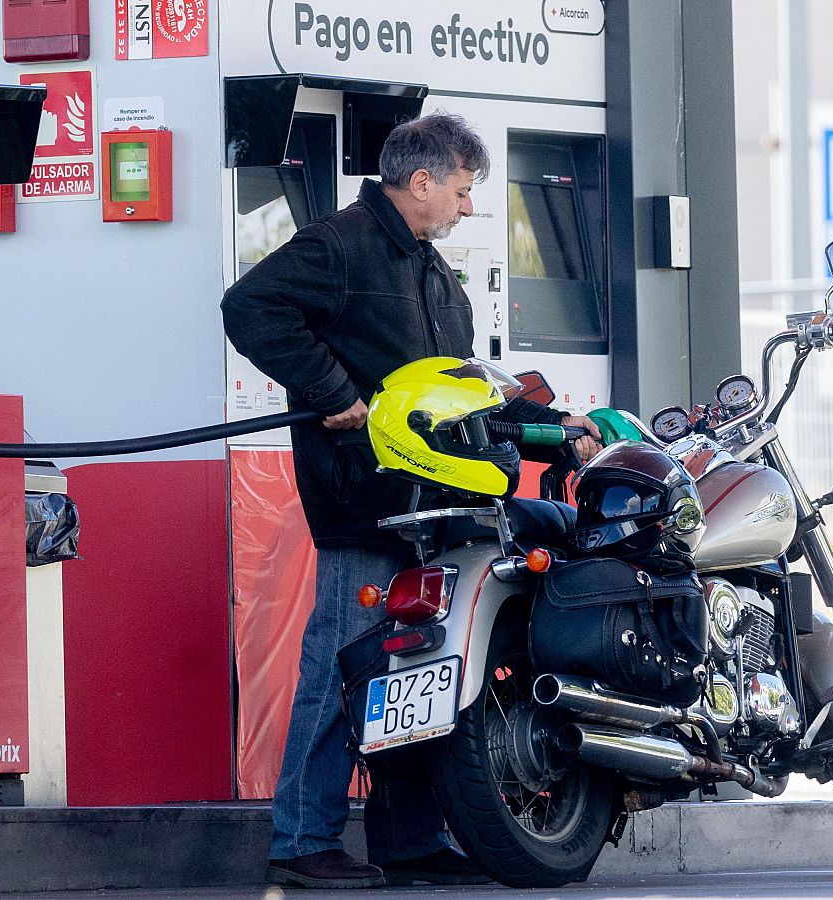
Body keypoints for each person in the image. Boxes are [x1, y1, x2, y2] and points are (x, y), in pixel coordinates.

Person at [221, 112, 602, 889]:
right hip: (367, 501)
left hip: (442, 502)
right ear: (421, 180)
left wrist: (550, 426)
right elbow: (249, 307)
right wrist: (330, 392)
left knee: (424, 672)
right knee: (344, 664)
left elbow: (463, 388)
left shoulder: (432, 273)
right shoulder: (339, 244)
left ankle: (409, 837)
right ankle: (301, 842)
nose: (468, 208)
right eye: (463, 191)